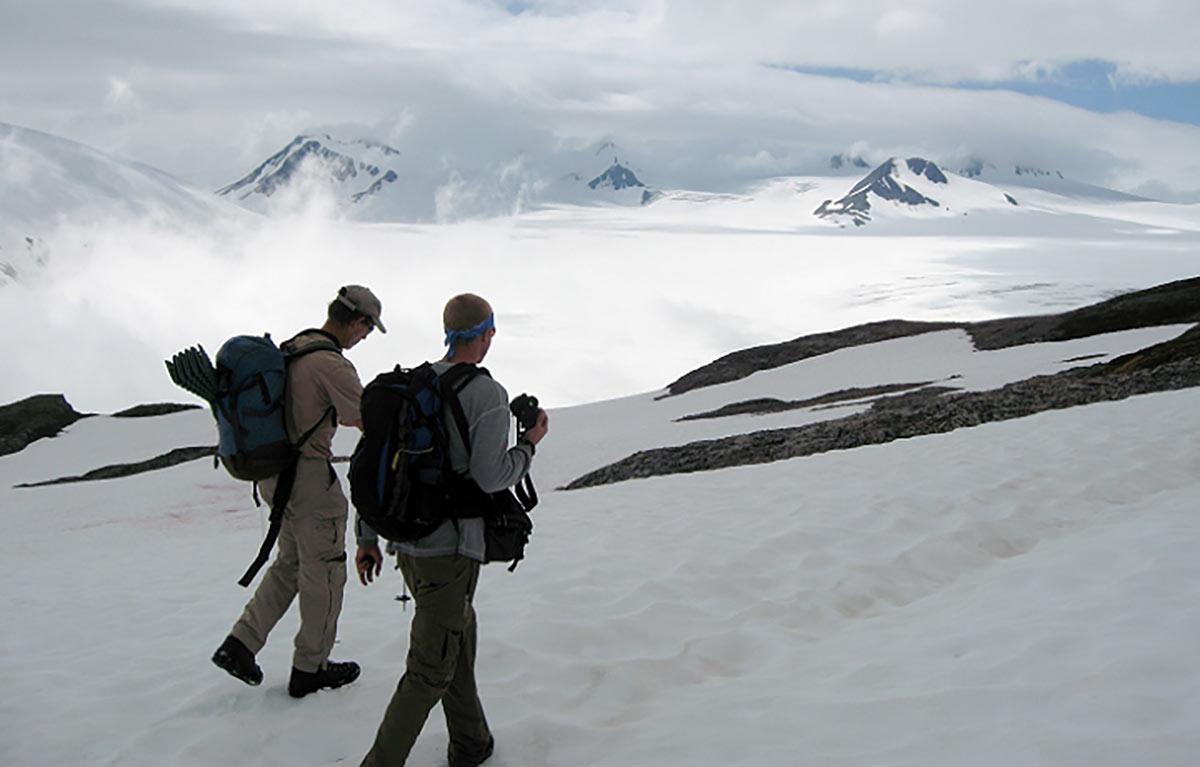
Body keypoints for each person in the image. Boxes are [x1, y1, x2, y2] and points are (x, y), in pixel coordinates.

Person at [356, 293, 549, 767]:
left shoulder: (415, 386)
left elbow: (378, 464)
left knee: (454, 640)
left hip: (406, 546)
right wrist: (528, 445)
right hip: (450, 550)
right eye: (490, 331)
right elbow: (491, 477)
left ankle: (471, 744)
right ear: (485, 334)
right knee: (429, 670)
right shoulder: (485, 393)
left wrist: (366, 538)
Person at [211, 285, 386, 699]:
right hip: (310, 480)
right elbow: (365, 420)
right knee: (324, 569)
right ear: (357, 322)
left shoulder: (290, 349)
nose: (363, 338)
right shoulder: (330, 364)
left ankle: (240, 644)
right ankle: (312, 666)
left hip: (273, 475)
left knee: (290, 564)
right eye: (367, 330)